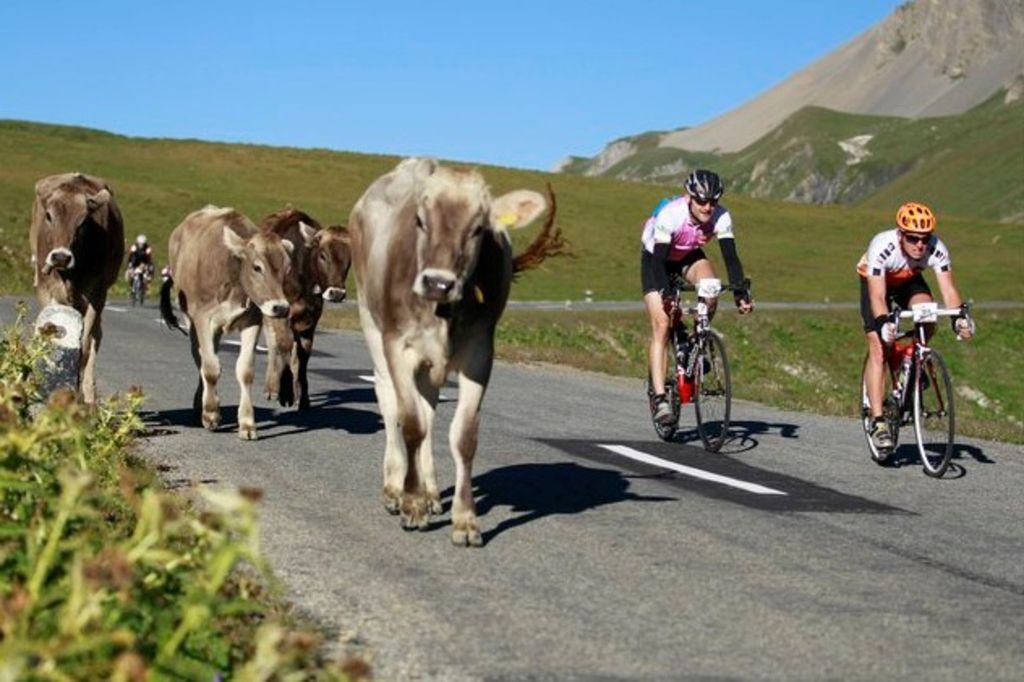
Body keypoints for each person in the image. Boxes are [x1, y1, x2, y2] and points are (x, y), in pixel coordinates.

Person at [857, 201, 974, 451]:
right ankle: (878, 422)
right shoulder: (882, 246)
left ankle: (912, 359)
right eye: (912, 238)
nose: (920, 244)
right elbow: (877, 296)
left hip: (909, 279)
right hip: (878, 282)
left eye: (924, 238)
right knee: (878, 344)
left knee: (928, 313)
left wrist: (959, 319)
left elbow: (949, 290)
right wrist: (883, 322)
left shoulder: (936, 248)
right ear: (901, 235)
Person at [641, 169, 753, 425]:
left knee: (711, 286)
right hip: (656, 258)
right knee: (662, 324)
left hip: (687, 255)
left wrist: (739, 292)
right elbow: (658, 262)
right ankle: (660, 399)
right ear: (689, 197)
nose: (707, 207)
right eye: (701, 201)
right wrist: (665, 292)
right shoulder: (672, 214)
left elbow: (731, 257)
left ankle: (696, 340)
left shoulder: (721, 216)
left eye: (713, 201)